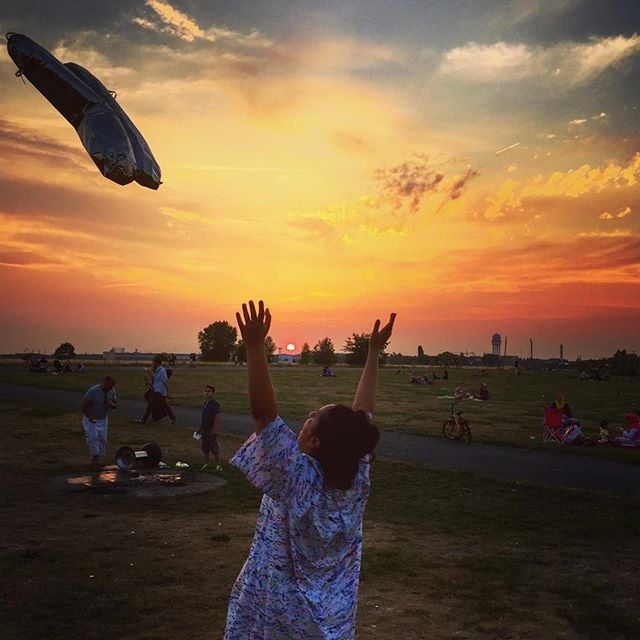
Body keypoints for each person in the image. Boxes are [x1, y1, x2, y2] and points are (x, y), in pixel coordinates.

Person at [224, 300, 395, 640]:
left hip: (282, 615)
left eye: (311, 418)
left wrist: (255, 346)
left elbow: (264, 416)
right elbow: (363, 412)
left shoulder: (295, 479)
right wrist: (373, 351)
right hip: (331, 616)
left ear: (315, 442)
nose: (304, 420)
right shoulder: (356, 475)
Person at [81, 376, 117, 470]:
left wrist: (111, 405)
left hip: (102, 419)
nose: (109, 389)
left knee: (102, 440)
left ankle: (97, 459)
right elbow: (84, 405)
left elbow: (115, 403)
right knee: (92, 438)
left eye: (111, 387)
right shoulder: (93, 391)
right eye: (108, 387)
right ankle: (94, 458)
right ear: (104, 383)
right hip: (91, 419)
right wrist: (89, 415)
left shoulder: (112, 391)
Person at [136, 355, 176, 424]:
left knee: (151, 404)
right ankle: (172, 418)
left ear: (157, 363)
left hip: (159, 392)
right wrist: (149, 381)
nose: (152, 364)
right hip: (157, 391)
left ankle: (143, 419)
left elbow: (165, 382)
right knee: (165, 405)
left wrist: (168, 393)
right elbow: (155, 380)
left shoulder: (162, 371)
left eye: (153, 362)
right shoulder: (158, 371)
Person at [198, 384, 222, 471]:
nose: (207, 393)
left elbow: (217, 417)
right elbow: (203, 417)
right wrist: (200, 429)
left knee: (214, 447)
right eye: (206, 391)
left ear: (213, 393)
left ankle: (218, 465)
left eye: (209, 391)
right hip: (204, 429)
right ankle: (206, 463)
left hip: (211, 429)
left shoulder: (215, 404)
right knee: (205, 447)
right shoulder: (205, 403)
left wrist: (215, 429)